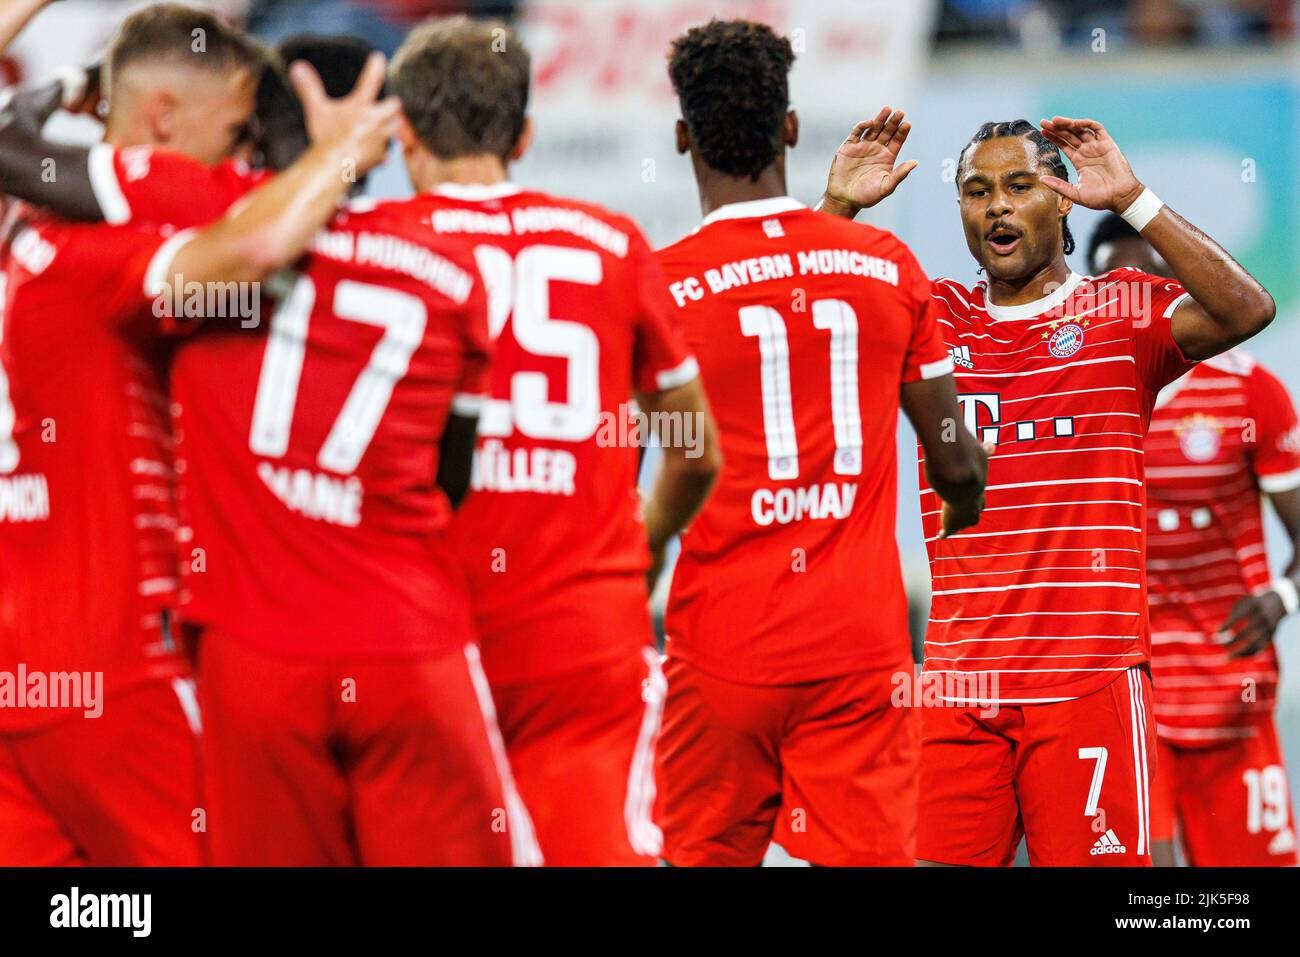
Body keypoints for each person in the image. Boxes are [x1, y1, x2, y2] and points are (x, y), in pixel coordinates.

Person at [818, 108, 1275, 865]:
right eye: (976, 190)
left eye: (1019, 184)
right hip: (960, 684)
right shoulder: (934, 316)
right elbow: (798, 326)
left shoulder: (1119, 312)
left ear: (1062, 199)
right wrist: (836, 211)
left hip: (1089, 680)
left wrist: (1133, 198)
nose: (996, 203)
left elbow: (1246, 308)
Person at [0, 3, 397, 864]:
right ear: (166, 120)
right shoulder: (117, 253)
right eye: (232, 134)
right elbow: (253, 249)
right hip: (116, 673)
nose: (241, 157)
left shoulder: (20, 231)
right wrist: (338, 157)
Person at [652, 19, 988, 867]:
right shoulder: (886, 265)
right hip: (858, 649)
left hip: (719, 649)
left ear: (684, 135)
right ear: (791, 129)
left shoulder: (655, 287)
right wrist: (963, 507)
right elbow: (956, 461)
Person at [389, 16, 721, 866]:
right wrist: (635, 551)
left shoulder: (375, 250)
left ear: (403, 130)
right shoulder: (610, 241)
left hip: (418, 638)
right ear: (526, 134)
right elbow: (692, 445)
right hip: (583, 635)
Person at [1091, 213, 1300, 866]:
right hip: (1119, 691)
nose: (1134, 302)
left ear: (1178, 288)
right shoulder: (1076, 394)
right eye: (1113, 287)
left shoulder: (1248, 391)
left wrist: (1282, 597)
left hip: (1225, 688)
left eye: (1151, 281)